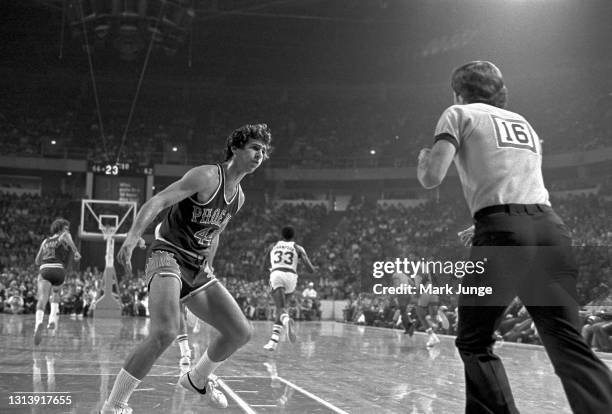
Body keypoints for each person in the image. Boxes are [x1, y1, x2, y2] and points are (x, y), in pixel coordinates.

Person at [417, 60, 612, 413]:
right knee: (568, 340)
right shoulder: (524, 122)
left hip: (503, 231)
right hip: (549, 228)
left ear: (457, 91)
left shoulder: (458, 113)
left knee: (474, 341)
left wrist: (423, 159)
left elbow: (433, 176)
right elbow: (516, 180)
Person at [100, 124, 272, 414]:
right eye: (255, 147)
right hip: (167, 252)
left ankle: (197, 378)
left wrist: (209, 266)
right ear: (236, 148)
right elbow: (158, 201)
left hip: (197, 264)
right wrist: (131, 237)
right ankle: (114, 406)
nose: (260, 155)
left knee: (240, 332)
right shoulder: (206, 175)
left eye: (264, 151)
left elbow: (215, 233)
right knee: (165, 331)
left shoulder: (239, 197)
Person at [263, 226, 316, 351]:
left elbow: (264, 264)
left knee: (280, 309)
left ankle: (287, 322)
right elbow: (311, 270)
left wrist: (269, 271)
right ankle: (273, 342)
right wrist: (309, 266)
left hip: (277, 274)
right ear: (293, 236)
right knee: (282, 308)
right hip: (291, 277)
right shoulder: (298, 248)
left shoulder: (273, 246)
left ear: (282, 235)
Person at [33, 218, 81, 346]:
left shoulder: (45, 241)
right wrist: (76, 252)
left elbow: (37, 261)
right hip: (59, 270)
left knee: (42, 299)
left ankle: (38, 323)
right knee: (55, 294)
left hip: (45, 269)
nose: (67, 230)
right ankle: (52, 319)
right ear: (60, 228)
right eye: (66, 227)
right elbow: (67, 235)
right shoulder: (63, 236)